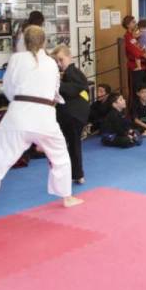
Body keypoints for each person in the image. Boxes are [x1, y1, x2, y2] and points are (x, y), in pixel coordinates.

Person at [0, 26, 79, 233]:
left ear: (23, 41)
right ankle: (67, 197)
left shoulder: (16, 59)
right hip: (45, 117)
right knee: (60, 156)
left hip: (18, 116)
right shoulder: (51, 63)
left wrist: (20, 100)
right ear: (44, 42)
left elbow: (8, 89)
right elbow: (54, 91)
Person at [50, 44, 90, 185]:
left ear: (69, 57)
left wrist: (56, 84)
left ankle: (77, 174)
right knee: (70, 144)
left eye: (61, 59)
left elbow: (76, 89)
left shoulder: (73, 72)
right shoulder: (68, 74)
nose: (59, 63)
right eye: (57, 61)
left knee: (72, 145)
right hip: (71, 115)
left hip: (74, 116)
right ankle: (75, 174)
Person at [122, 15, 146, 101]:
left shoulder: (133, 36)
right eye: (133, 22)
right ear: (128, 25)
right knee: (136, 91)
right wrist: (143, 54)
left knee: (145, 90)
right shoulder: (127, 37)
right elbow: (135, 51)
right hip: (135, 67)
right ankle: (134, 108)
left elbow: (139, 47)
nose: (135, 23)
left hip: (144, 65)